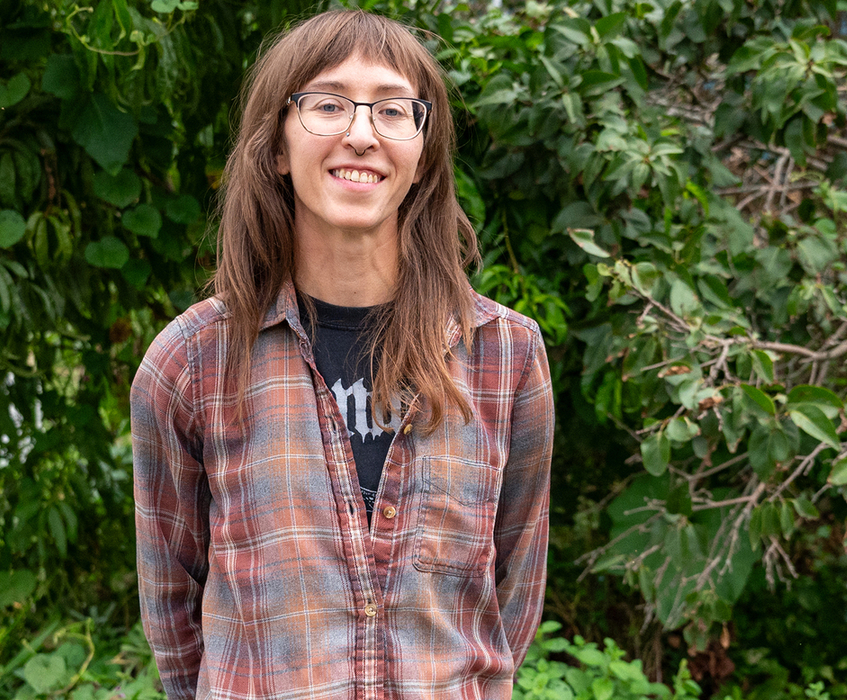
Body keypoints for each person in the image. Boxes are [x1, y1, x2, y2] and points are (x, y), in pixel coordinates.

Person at [131, 10, 555, 699]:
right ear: (275, 145)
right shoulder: (190, 364)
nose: (361, 134)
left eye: (393, 110)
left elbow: (513, 598)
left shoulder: (506, 357)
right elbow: (173, 611)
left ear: (422, 155)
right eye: (328, 104)